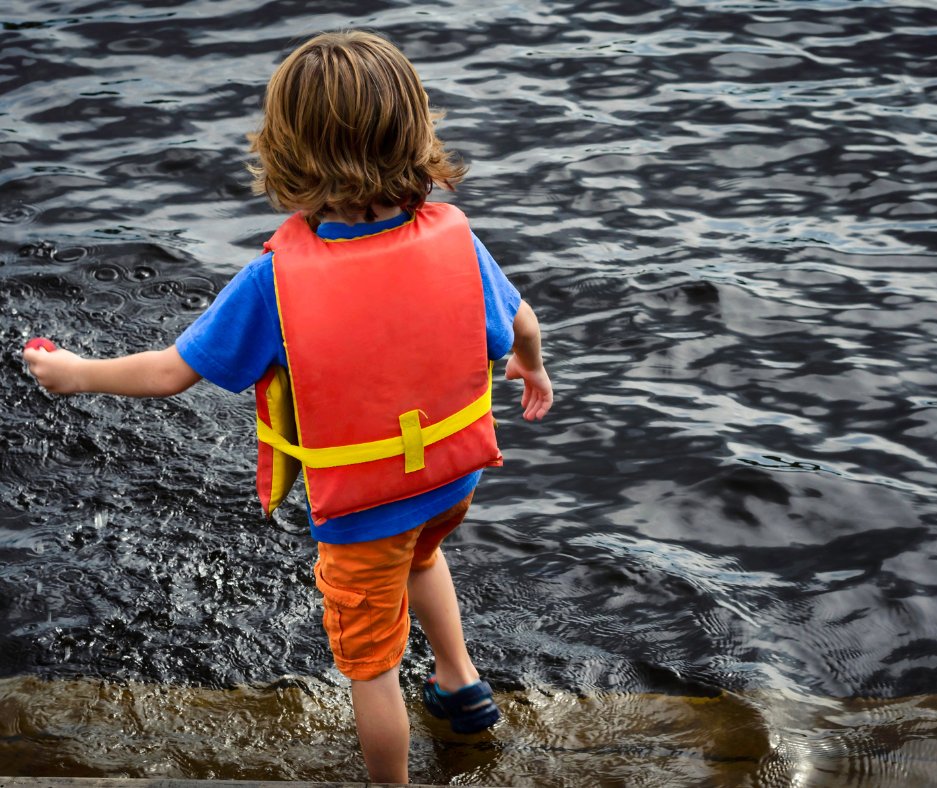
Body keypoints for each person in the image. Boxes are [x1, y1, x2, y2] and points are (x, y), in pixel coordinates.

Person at [23, 30, 553, 784]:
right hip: (450, 478)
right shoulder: (457, 242)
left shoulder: (275, 281)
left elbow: (172, 372)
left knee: (371, 666)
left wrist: (77, 374)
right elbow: (522, 321)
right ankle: (460, 681)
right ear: (415, 133)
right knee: (422, 555)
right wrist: (532, 369)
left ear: (286, 152)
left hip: (366, 508)